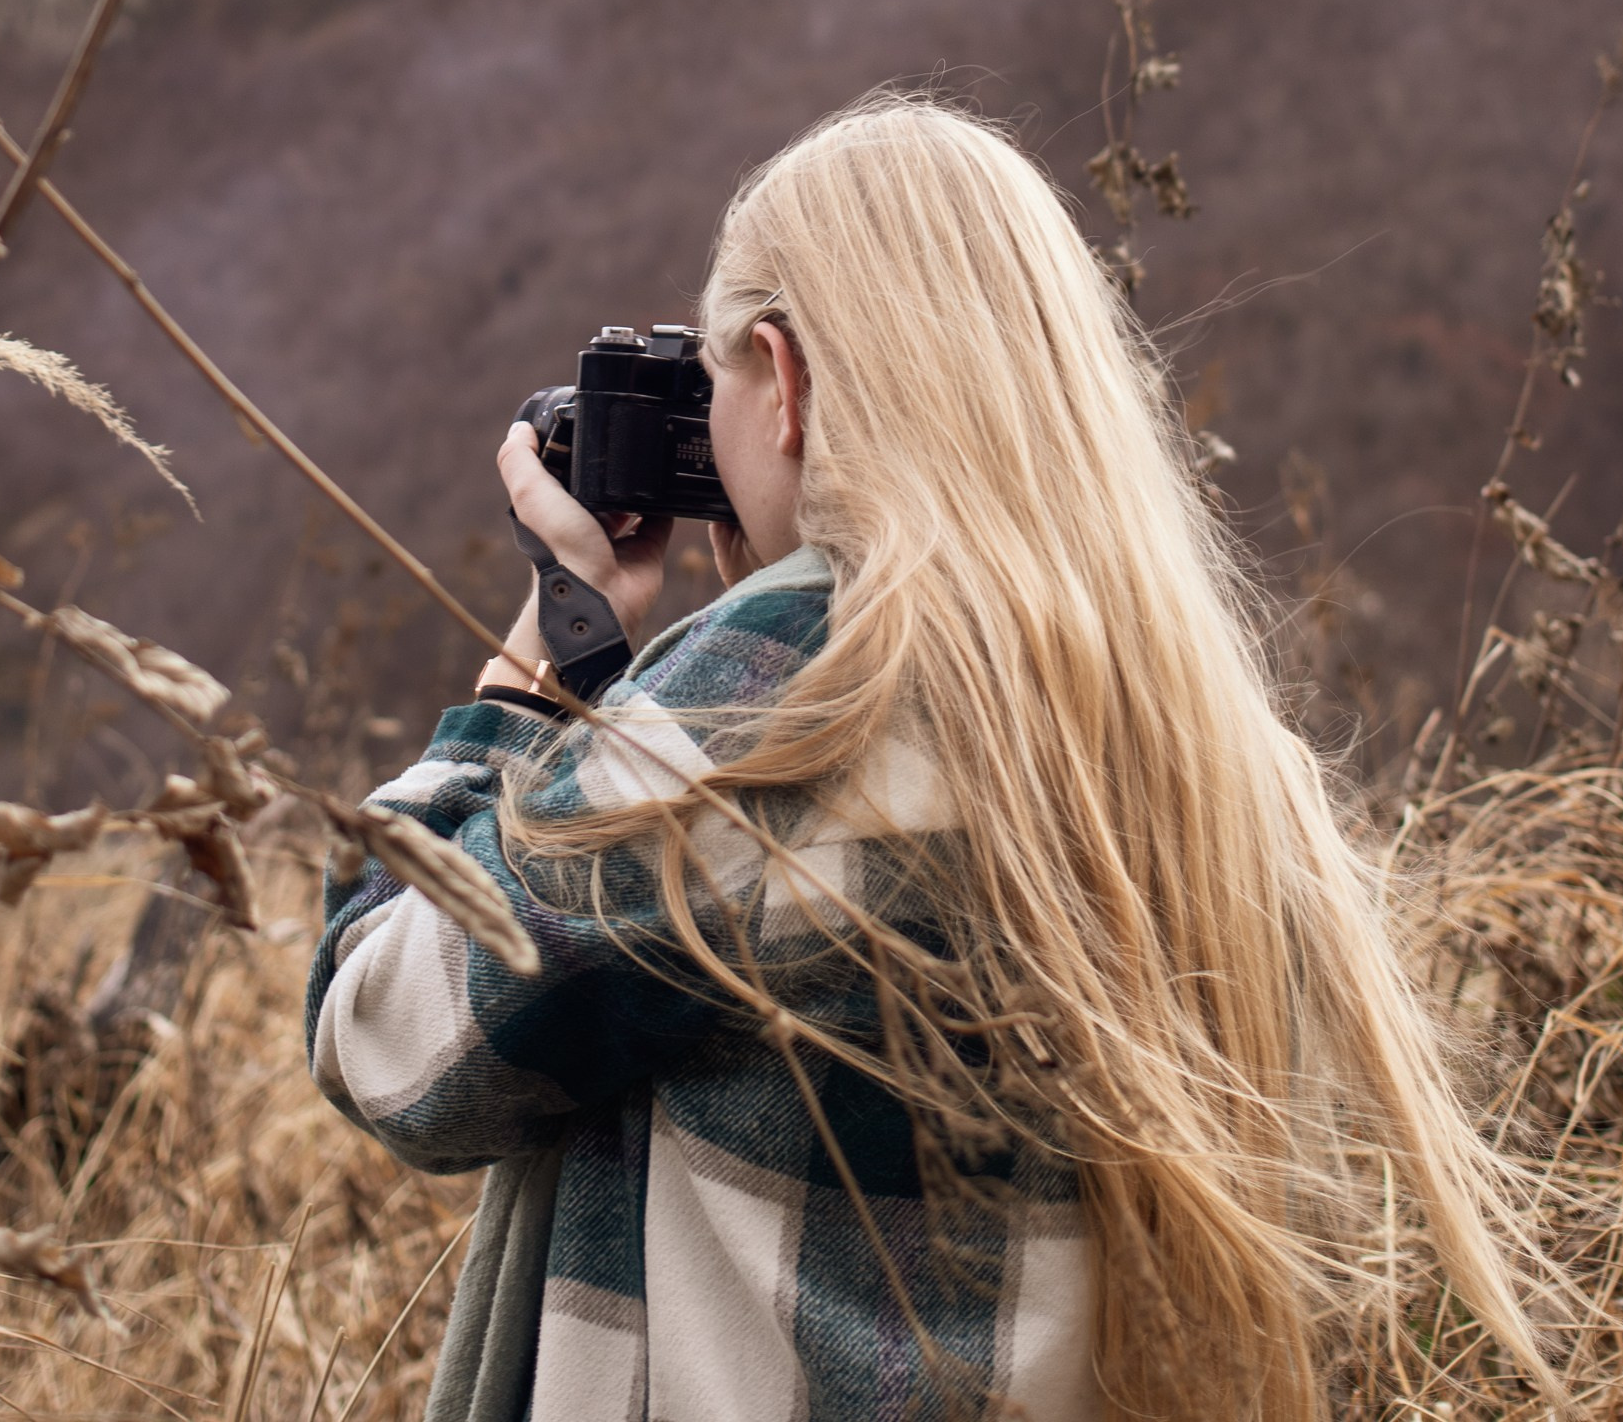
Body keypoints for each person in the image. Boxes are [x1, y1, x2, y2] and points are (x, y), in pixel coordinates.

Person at [305, 94, 1557, 1421]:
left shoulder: (783, 695)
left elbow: (387, 1037)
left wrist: (538, 668)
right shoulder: (1187, 719)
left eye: (718, 385)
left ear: (781, 382)